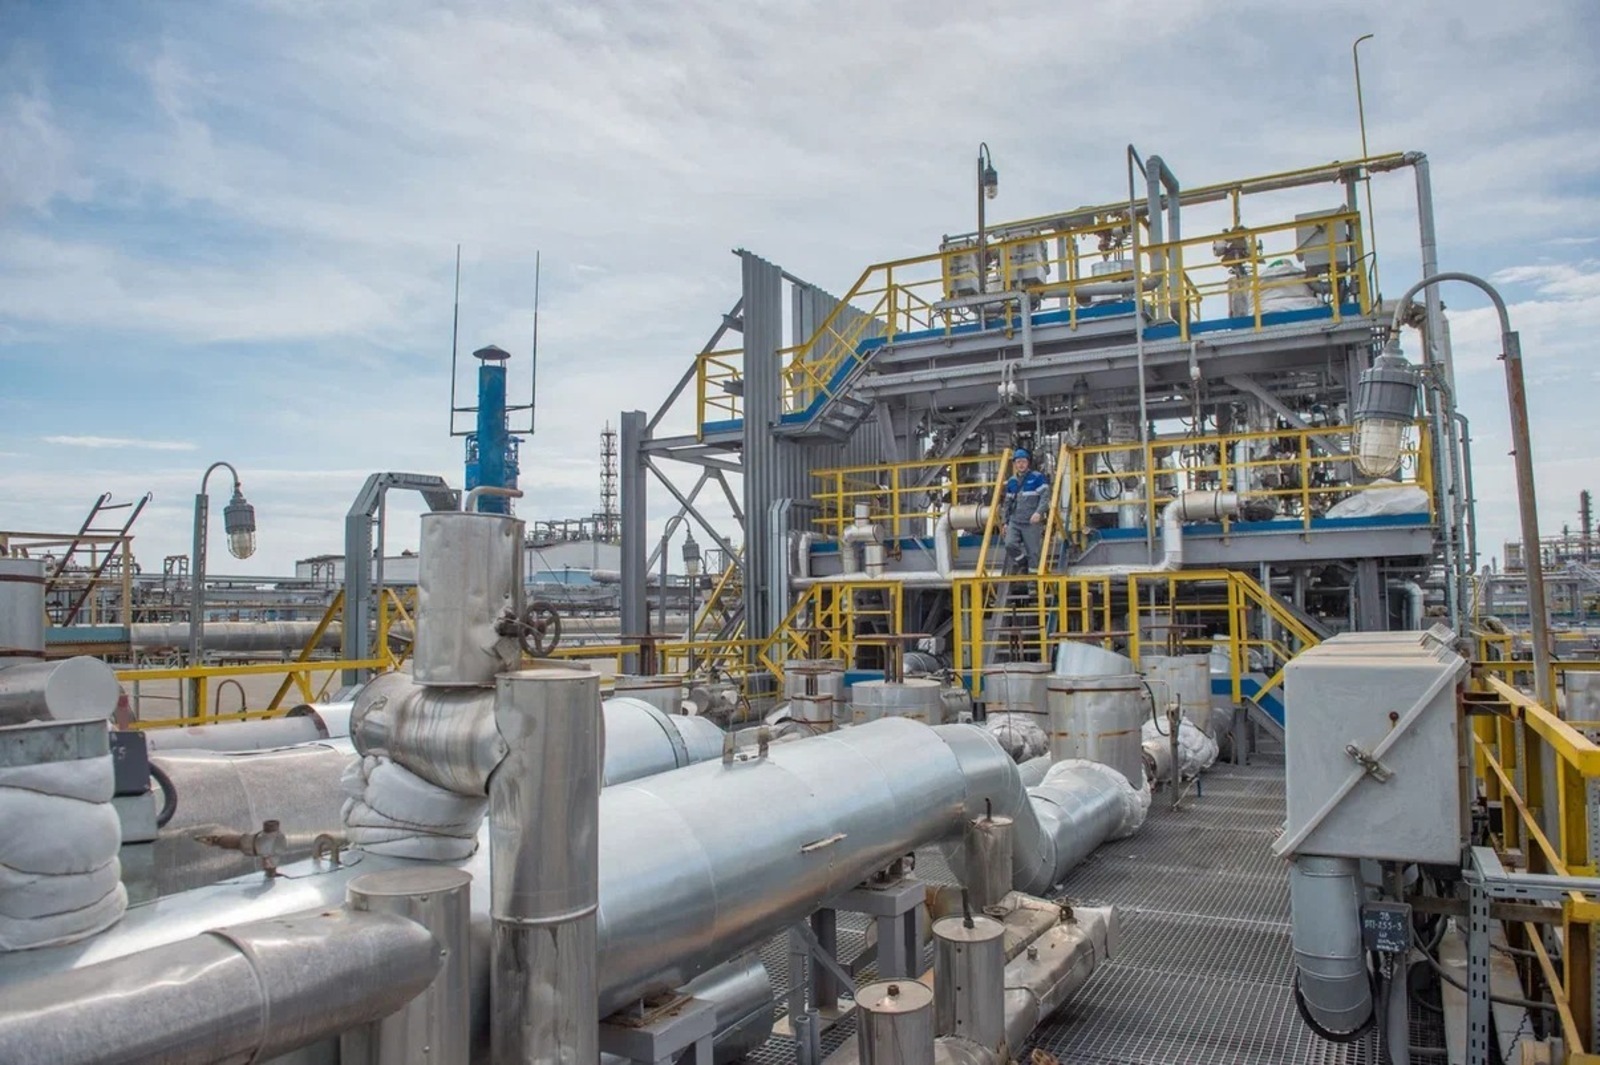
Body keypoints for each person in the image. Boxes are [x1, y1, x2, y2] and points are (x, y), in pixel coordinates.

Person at [1002, 448, 1051, 573]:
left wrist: (1039, 512)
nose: (1021, 464)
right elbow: (1007, 503)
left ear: (1028, 462)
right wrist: (1005, 522)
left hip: (1031, 522)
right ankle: (1023, 563)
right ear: (1014, 464)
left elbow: (1045, 497)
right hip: (1015, 521)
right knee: (1009, 544)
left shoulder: (1037, 478)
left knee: (1033, 553)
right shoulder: (1012, 481)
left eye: (1023, 461)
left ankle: (1033, 582)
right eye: (1018, 462)